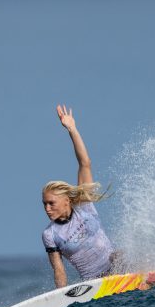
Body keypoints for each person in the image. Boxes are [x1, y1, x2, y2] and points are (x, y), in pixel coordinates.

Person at [42, 105, 115, 288]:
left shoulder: (84, 205)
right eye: (44, 204)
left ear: (66, 200)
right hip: (95, 283)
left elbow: (85, 163)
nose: (47, 209)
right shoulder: (50, 234)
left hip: (117, 269)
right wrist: (60, 298)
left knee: (120, 255)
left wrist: (72, 129)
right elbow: (59, 270)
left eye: (51, 203)